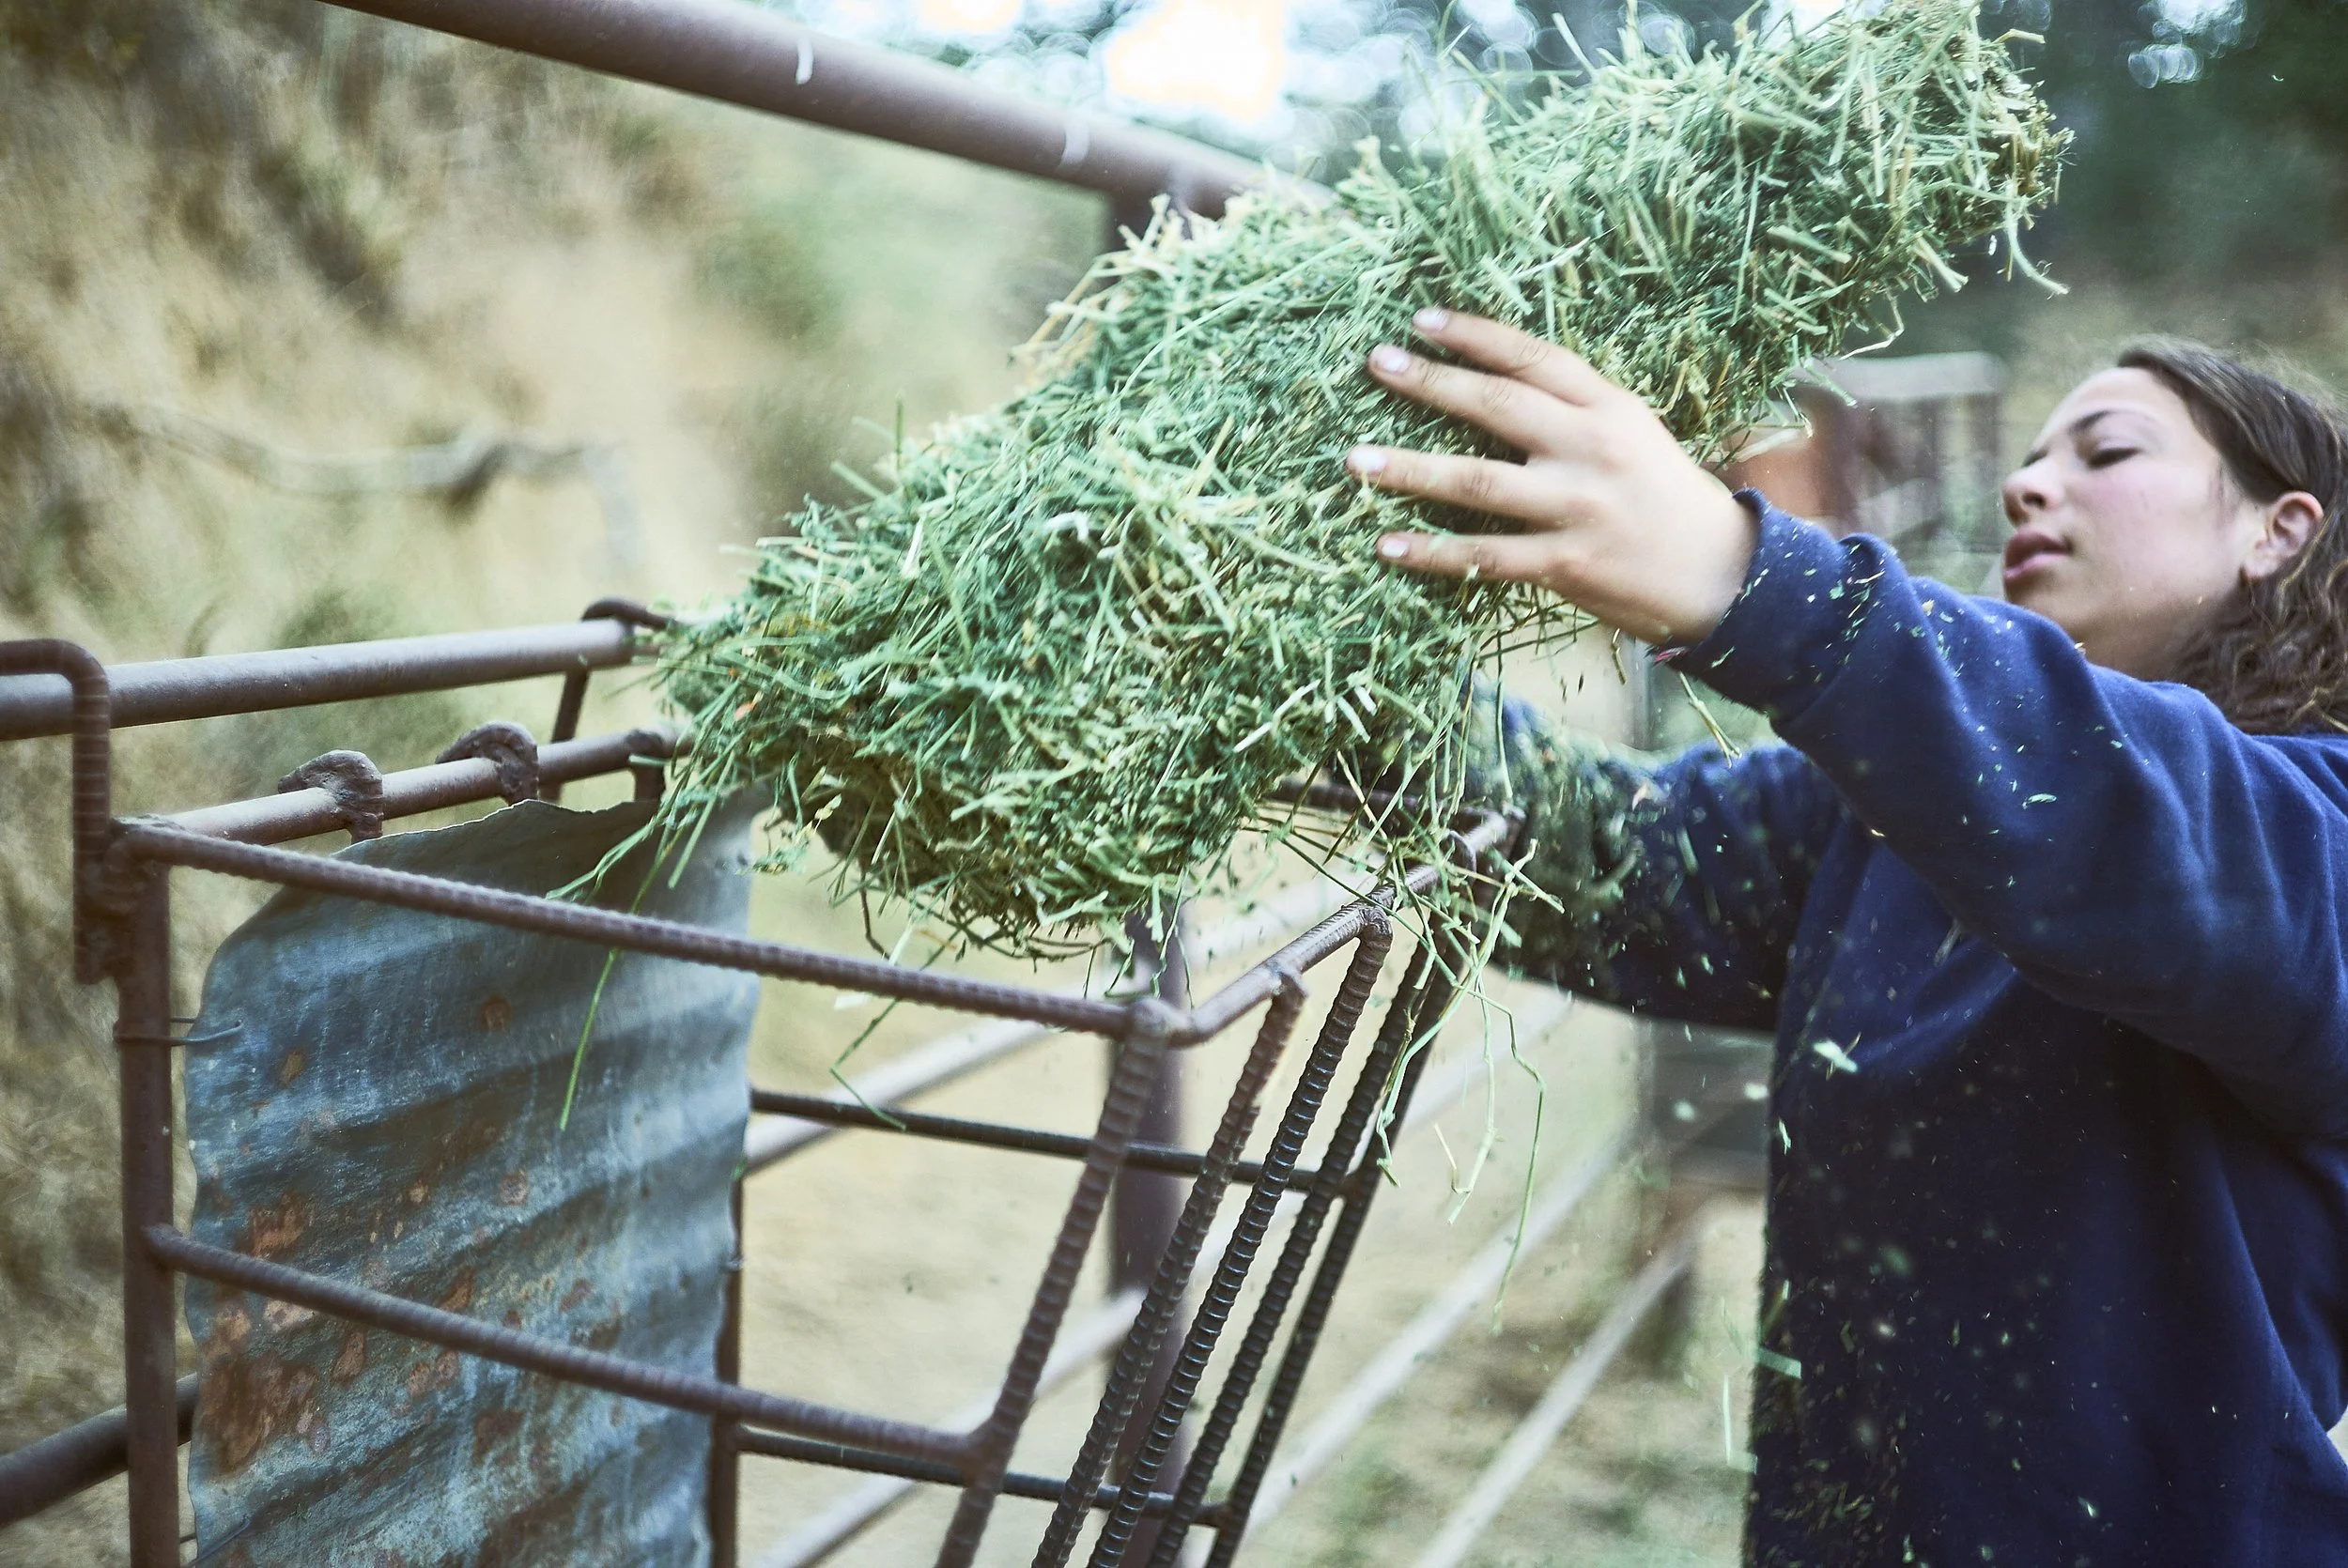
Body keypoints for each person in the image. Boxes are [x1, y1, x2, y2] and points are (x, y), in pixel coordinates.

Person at [1345, 309, 2348, 1566]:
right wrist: (1349, 680)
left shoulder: (2311, 844)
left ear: (2277, 530)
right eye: (2033, 456)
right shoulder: (1882, 819)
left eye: (2106, 452)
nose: (2027, 483)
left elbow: (2129, 814)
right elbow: (1610, 859)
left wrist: (1748, 577)